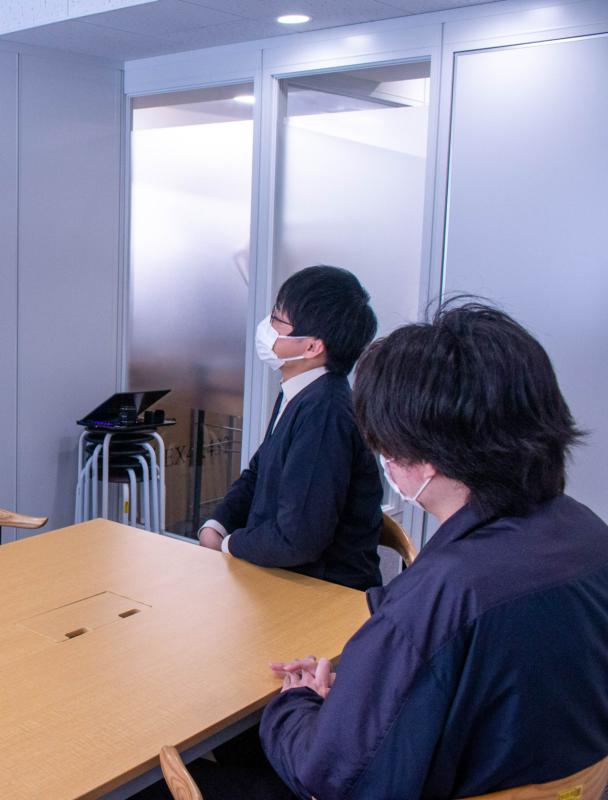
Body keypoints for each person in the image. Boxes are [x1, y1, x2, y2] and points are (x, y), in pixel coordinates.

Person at [257, 302, 608, 798]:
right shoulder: (588, 533)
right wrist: (365, 698)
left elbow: (330, 774)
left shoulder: (442, 598)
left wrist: (296, 703)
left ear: (421, 459)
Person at [198, 265, 383, 592]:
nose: (266, 327)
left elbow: (298, 539)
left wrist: (228, 544)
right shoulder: (300, 391)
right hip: (279, 575)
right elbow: (258, 471)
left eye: (277, 319)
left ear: (312, 347)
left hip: (322, 592)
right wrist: (217, 524)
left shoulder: (326, 412)